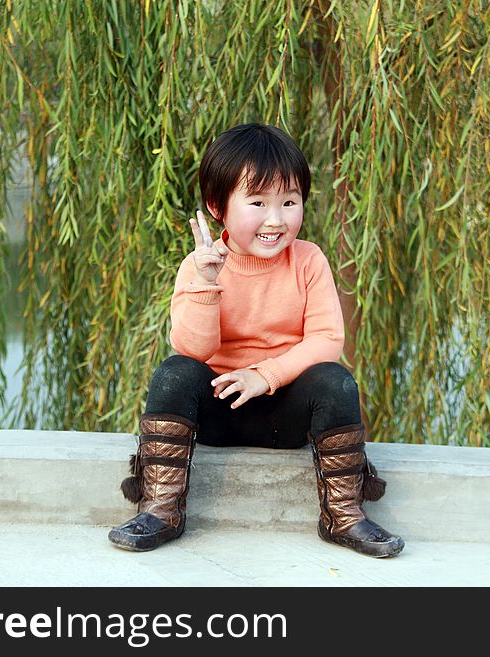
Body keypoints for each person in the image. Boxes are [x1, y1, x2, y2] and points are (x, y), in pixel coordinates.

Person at [108, 123, 403, 558]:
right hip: (219, 411)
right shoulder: (201, 265)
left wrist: (265, 375)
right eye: (258, 202)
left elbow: (326, 338)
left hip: (285, 414)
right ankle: (160, 508)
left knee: (335, 380)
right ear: (217, 206)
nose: (276, 219)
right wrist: (207, 286)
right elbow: (193, 350)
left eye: (289, 202)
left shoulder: (308, 260)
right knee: (174, 373)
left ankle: (344, 515)